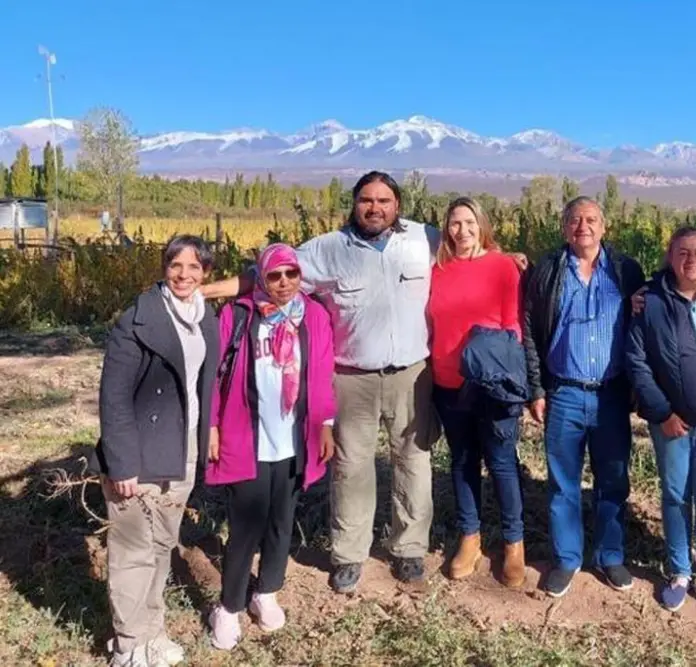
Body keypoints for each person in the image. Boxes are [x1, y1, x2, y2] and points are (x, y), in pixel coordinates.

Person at [202, 171, 441, 592]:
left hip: (412, 375)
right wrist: (200, 292)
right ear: (354, 204)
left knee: (414, 463)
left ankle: (409, 550)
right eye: (366, 200)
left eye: (384, 200)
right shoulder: (328, 249)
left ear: (398, 205)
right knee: (351, 468)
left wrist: (510, 257)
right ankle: (350, 555)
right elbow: (267, 274)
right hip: (352, 378)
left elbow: (471, 249)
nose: (375, 207)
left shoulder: (424, 240)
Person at [92, 235, 220, 667]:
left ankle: (152, 631)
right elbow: (114, 397)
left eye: (194, 268)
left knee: (162, 544)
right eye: (176, 265)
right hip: (140, 454)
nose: (184, 275)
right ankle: (128, 644)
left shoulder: (206, 317)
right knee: (132, 551)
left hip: (181, 450)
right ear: (164, 267)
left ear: (206, 273)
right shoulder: (137, 318)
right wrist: (121, 462)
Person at [204, 243, 337, 649]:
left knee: (282, 520)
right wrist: (211, 426)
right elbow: (215, 374)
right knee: (246, 524)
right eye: (274, 275)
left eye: (291, 274)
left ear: (300, 277)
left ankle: (267, 592)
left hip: (295, 440)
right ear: (260, 277)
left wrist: (326, 425)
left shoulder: (313, 315)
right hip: (248, 436)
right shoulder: (239, 314)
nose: (283, 283)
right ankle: (228, 606)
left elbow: (324, 370)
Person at [522, 196, 645, 597]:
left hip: (611, 395)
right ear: (563, 228)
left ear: (604, 227)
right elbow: (529, 330)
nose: (583, 227)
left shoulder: (626, 271)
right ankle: (567, 558)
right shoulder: (547, 271)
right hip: (565, 393)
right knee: (562, 483)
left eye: (591, 219)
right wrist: (536, 388)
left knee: (613, 479)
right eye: (575, 220)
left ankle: (610, 555)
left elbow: (648, 320)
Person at [626, 227, 696, 614]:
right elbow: (637, 362)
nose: (692, 259)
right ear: (669, 256)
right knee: (676, 495)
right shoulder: (650, 302)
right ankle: (679, 572)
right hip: (671, 420)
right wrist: (662, 413)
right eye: (683, 252)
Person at [426, 197, 527, 588]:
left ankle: (514, 543)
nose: (462, 231)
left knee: (501, 463)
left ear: (481, 224)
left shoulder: (503, 266)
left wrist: (497, 373)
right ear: (446, 228)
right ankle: (470, 537)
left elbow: (512, 324)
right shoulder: (437, 270)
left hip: (491, 384)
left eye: (469, 223)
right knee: (462, 461)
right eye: (454, 223)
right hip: (447, 381)